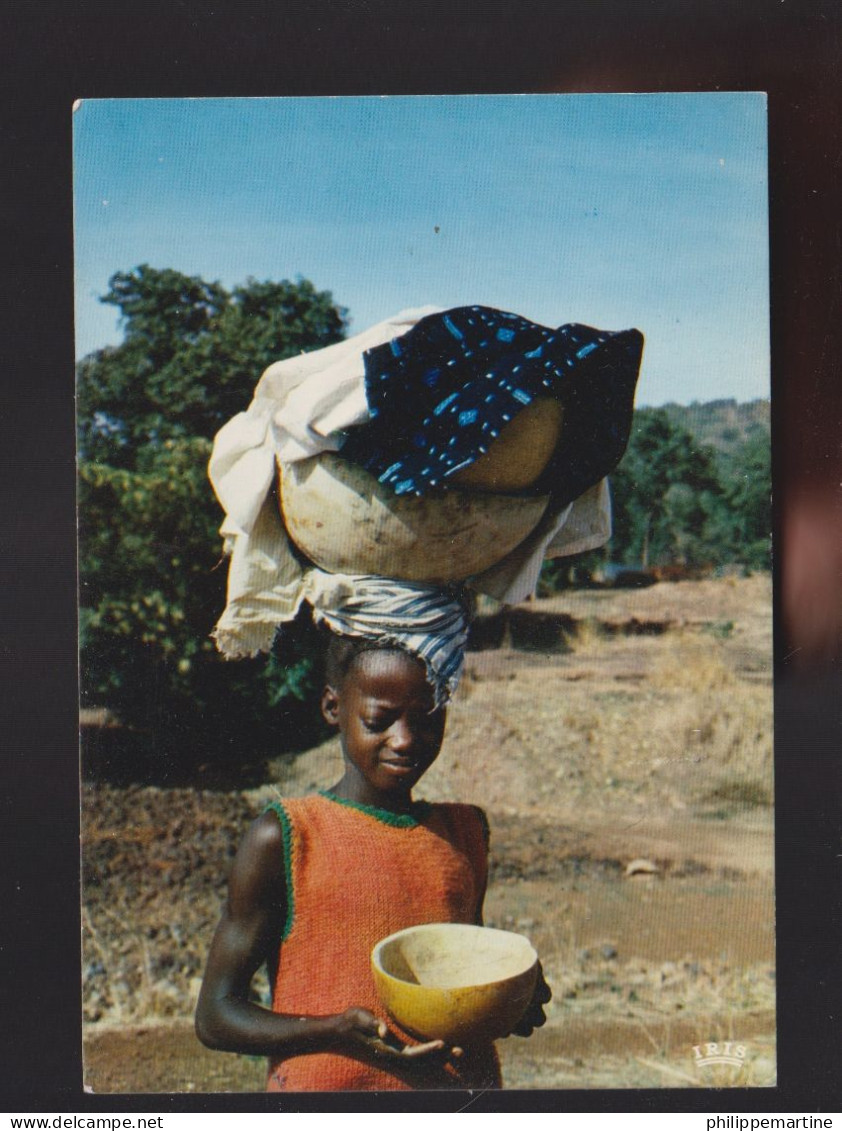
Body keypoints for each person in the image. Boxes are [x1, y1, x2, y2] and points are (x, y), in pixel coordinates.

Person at [195, 625, 551, 1091]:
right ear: (332, 707)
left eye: (426, 719)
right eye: (380, 720)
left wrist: (512, 994)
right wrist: (334, 1032)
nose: (404, 739)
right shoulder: (288, 835)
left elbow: (459, 974)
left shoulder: (464, 832)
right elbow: (216, 1014)